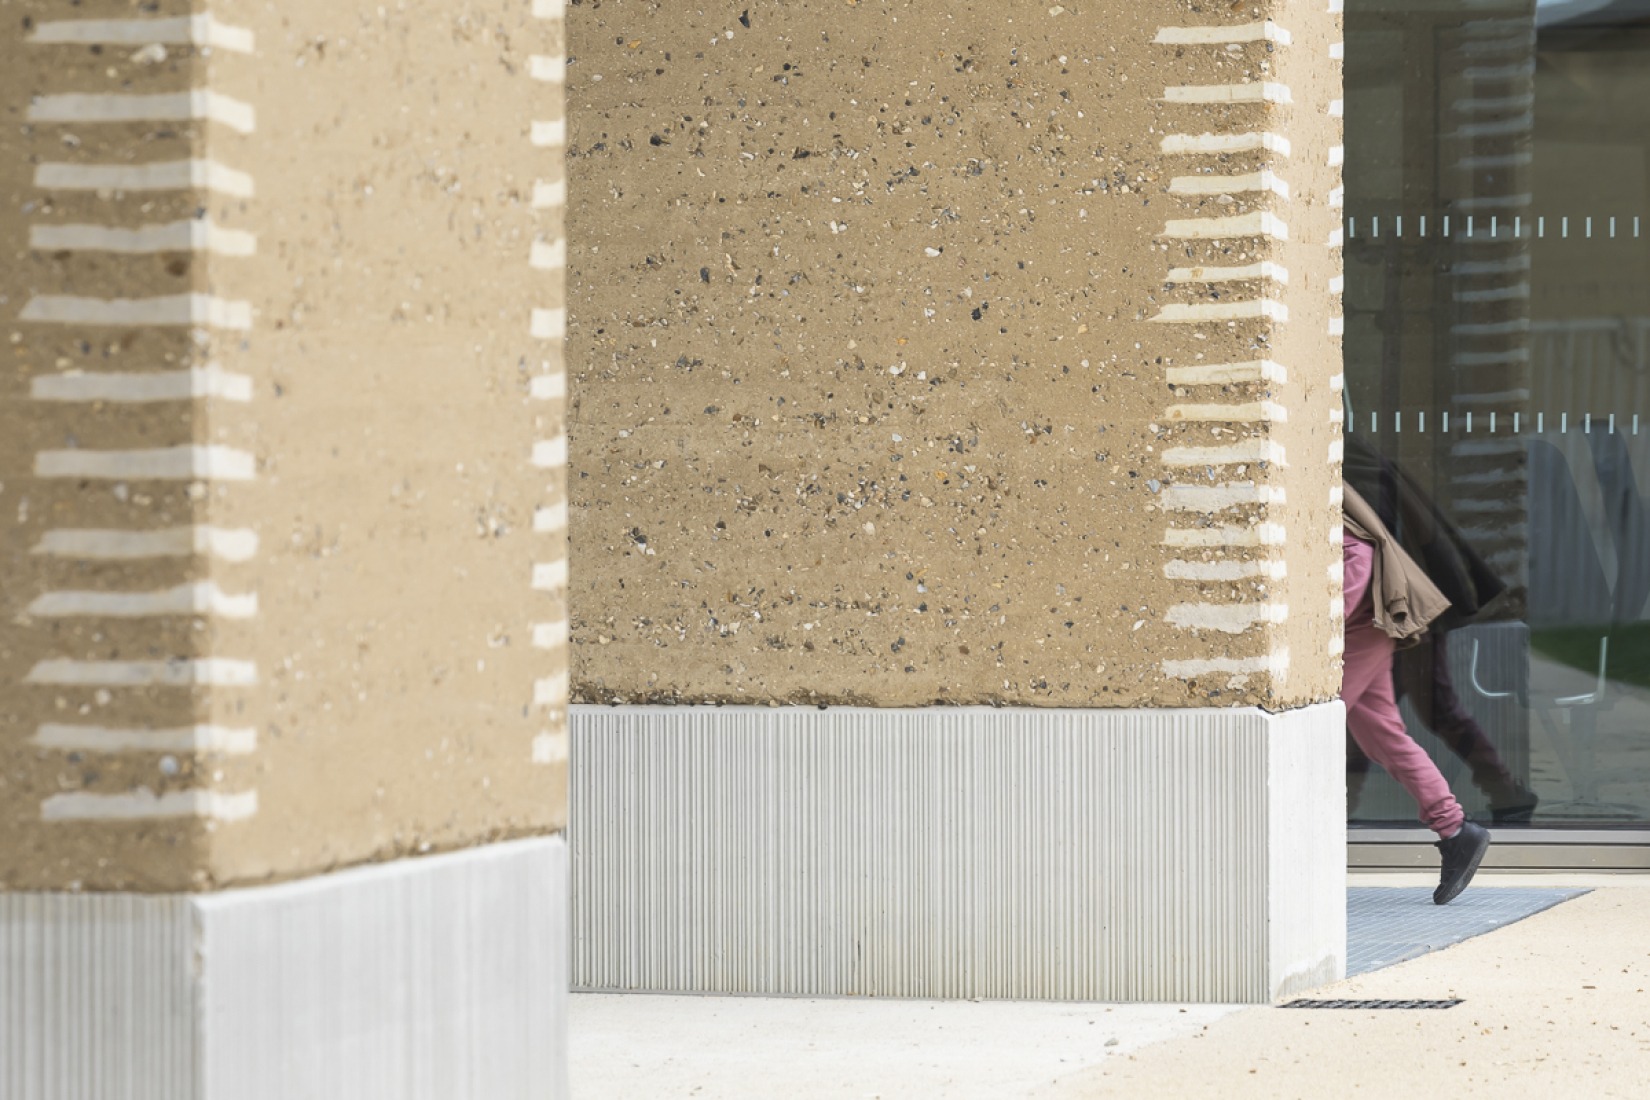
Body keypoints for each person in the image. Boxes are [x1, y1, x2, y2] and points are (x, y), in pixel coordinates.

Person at [1342, 434, 1538, 823]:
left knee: (1426, 710)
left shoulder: (1354, 470)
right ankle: (1494, 797)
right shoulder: (1365, 469)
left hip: (1395, 609)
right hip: (1392, 609)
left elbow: (1372, 551)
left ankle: (1503, 791)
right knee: (1375, 722)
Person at [1344, 484, 1492, 904]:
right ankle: (1457, 832)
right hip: (1364, 626)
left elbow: (1358, 555)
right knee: (1383, 737)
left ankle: (1297, 851)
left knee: (1312, 721)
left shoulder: (1316, 492)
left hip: (1360, 627)